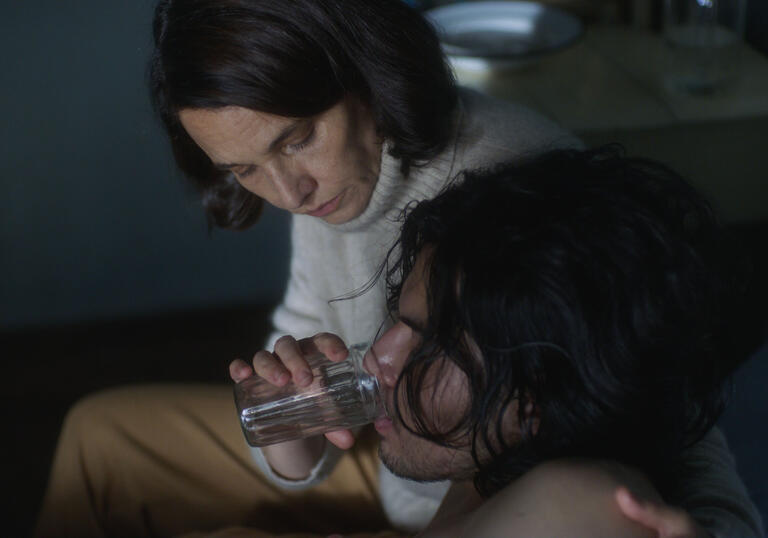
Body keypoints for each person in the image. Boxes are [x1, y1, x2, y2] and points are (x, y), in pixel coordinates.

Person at [33, 0, 760, 535]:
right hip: (390, 454)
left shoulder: (510, 190)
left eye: (295, 141)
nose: (289, 193)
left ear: (365, 71)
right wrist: (292, 419)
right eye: (244, 168)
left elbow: (665, 408)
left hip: (445, 487)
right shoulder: (325, 192)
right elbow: (303, 357)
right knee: (98, 436)